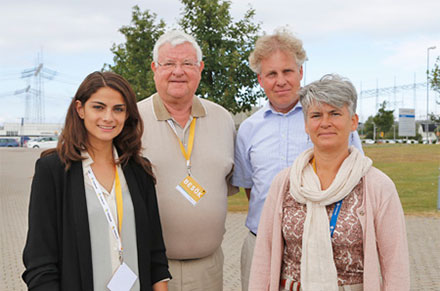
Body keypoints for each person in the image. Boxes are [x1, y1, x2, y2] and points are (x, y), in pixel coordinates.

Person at [249, 74, 410, 291]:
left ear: (353, 121)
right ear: (306, 125)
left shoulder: (377, 186)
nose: (325, 123)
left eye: (335, 113)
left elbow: (396, 265)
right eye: (316, 115)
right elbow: (264, 255)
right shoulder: (285, 183)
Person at [232, 29, 363, 291]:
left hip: (321, 245)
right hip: (261, 243)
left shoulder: (326, 121)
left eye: (287, 71)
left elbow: (355, 177)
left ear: (301, 72)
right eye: (271, 74)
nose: (280, 81)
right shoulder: (248, 129)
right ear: (260, 79)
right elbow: (251, 189)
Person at [22, 72, 170, 291]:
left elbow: (155, 254)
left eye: (118, 109)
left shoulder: (139, 170)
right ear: (80, 109)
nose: (109, 117)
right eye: (99, 107)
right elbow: (40, 262)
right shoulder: (53, 171)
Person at [137, 30, 237, 291]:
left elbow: (227, 183)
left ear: (200, 68)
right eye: (168, 63)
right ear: (154, 68)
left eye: (187, 63)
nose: (178, 71)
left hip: (209, 269)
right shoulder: (131, 120)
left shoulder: (223, 119)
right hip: (147, 269)